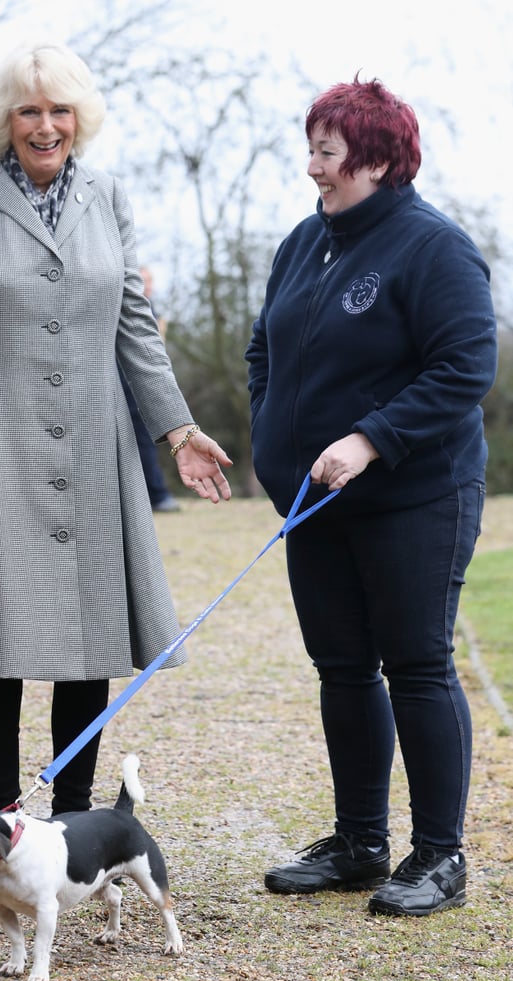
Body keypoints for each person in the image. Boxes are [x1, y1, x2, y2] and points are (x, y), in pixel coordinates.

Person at [0, 42, 232, 817]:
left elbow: (134, 328)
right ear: (5, 122)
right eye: (30, 110)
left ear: (81, 118)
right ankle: (3, 814)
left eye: (60, 110)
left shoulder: (108, 198)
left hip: (92, 438)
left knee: (92, 628)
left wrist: (177, 430)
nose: (46, 126)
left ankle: (73, 816)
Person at [246, 76, 497, 917]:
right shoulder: (300, 244)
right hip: (315, 505)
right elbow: (263, 354)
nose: (312, 166)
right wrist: (267, 441)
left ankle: (439, 857)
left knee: (416, 663)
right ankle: (359, 843)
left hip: (414, 497)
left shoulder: (434, 247)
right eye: (311, 148)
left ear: (380, 156)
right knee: (341, 668)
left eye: (327, 151)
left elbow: (464, 370)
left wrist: (369, 437)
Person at [118, 266, 180, 512]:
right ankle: (156, 494)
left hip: (141, 387)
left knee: (148, 441)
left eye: (150, 281)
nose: (148, 285)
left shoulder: (150, 308)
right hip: (127, 385)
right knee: (140, 440)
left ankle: (155, 493)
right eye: (143, 280)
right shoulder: (131, 308)